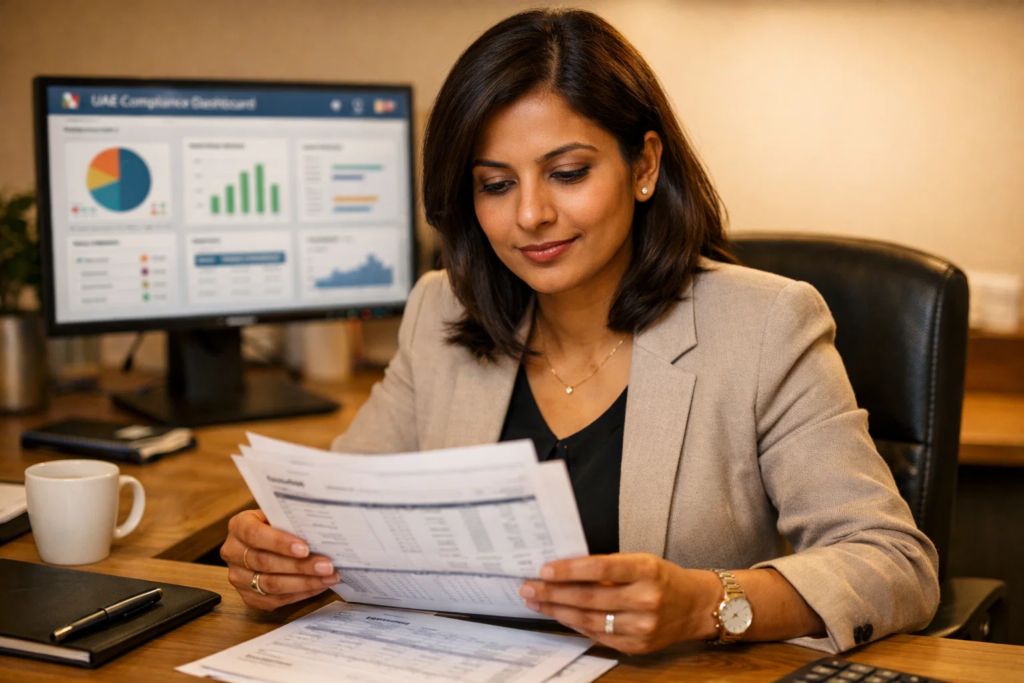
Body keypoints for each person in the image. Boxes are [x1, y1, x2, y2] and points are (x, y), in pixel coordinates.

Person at [220, 9, 939, 655]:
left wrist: (707, 604)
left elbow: (892, 561)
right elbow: (340, 521)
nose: (530, 214)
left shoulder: (763, 325)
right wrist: (278, 555)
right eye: (495, 184)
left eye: (565, 172)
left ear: (645, 165)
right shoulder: (441, 313)